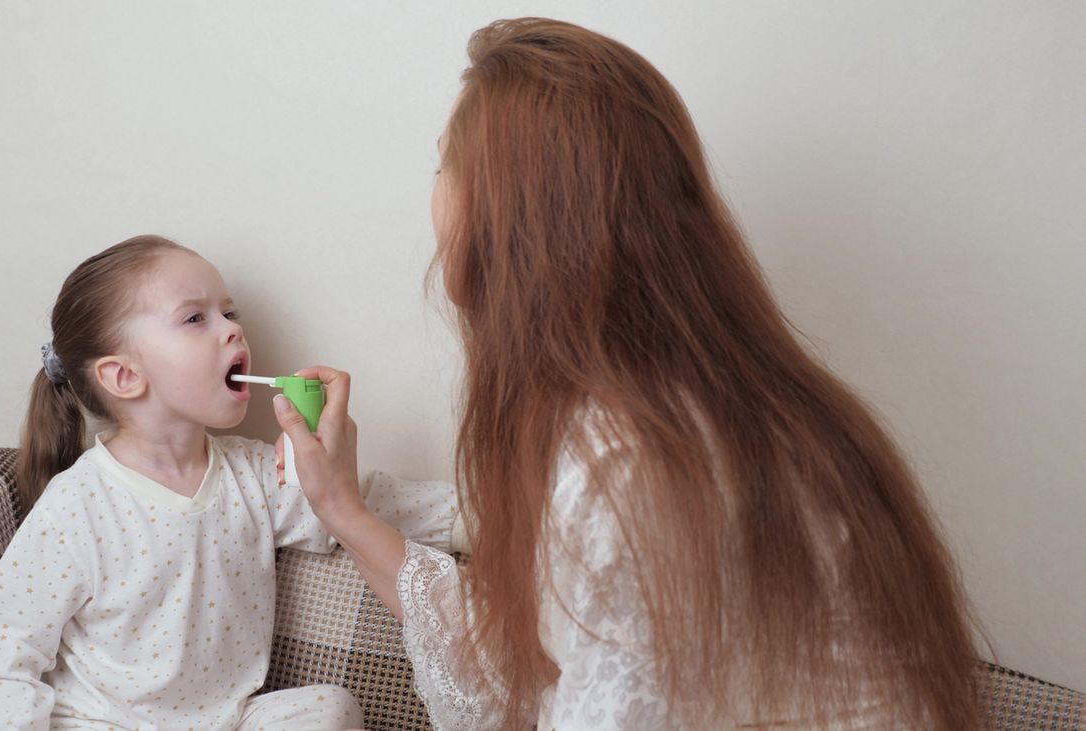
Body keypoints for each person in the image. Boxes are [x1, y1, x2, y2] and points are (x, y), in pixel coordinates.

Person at [270, 18, 984, 730]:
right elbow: (524, 658)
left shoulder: (629, 469)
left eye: (440, 168)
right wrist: (343, 508)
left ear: (512, 216)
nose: (432, 202)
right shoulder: (692, 411)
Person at [0, 234, 457, 730]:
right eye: (195, 318)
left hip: (226, 721)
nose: (232, 331)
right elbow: (6, 650)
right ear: (123, 377)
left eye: (230, 313)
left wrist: (482, 517)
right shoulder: (76, 505)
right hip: (104, 722)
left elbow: (359, 503)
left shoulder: (254, 476)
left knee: (329, 710)